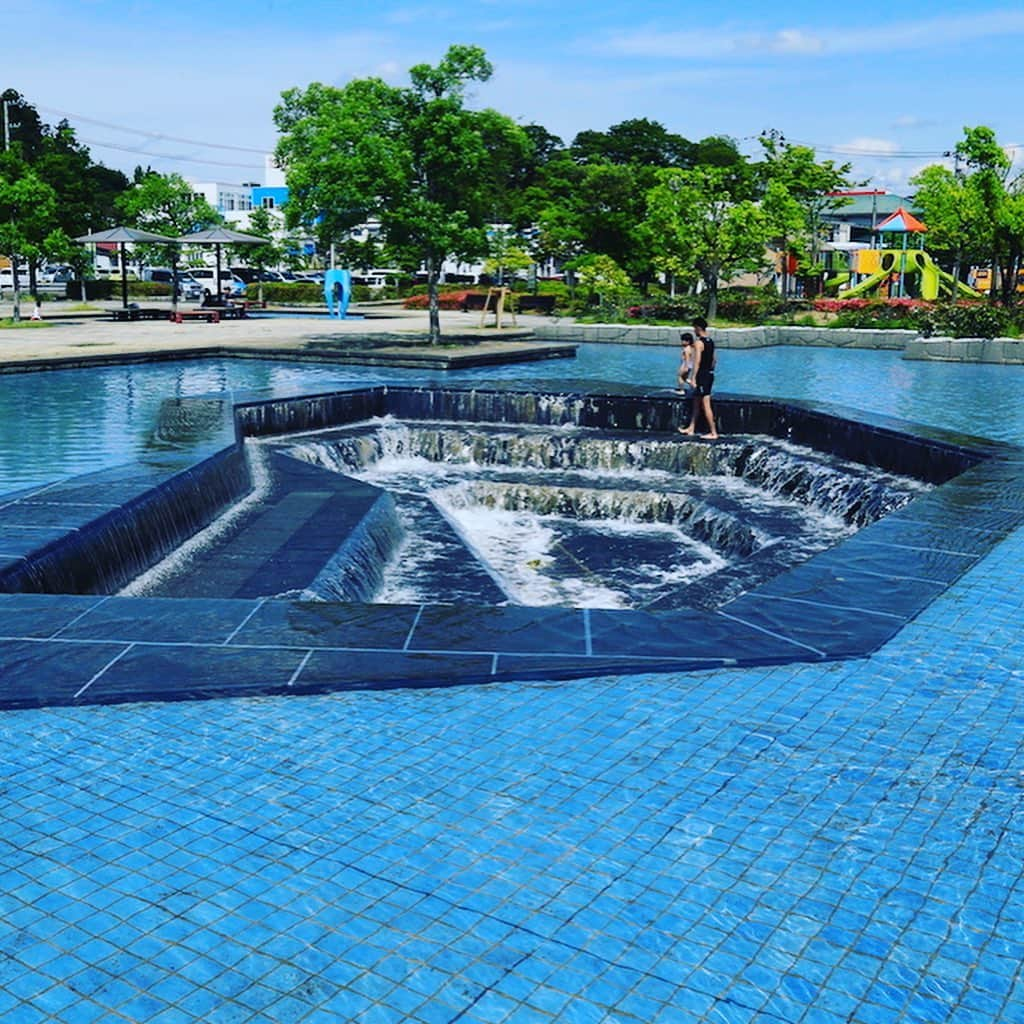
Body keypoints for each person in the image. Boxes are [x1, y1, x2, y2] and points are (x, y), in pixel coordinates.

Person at [678, 316, 718, 439]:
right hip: (709, 374)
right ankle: (691, 428)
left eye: (694, 328)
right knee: (696, 403)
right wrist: (711, 370)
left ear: (698, 328)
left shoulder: (699, 343)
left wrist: (694, 377)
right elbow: (714, 359)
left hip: (702, 375)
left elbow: (697, 361)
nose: (694, 331)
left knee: (705, 404)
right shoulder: (710, 341)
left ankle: (713, 432)